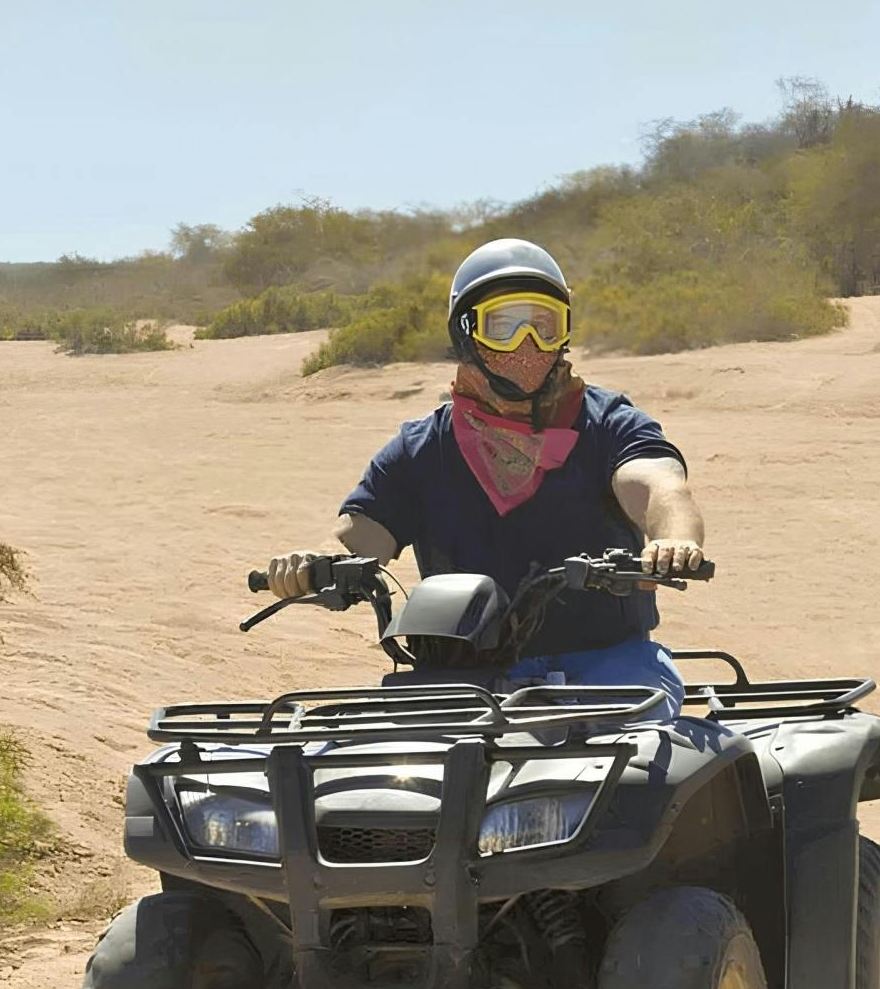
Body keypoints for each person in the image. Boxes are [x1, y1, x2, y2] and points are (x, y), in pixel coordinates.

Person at [264, 238, 707, 714]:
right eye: (505, 327)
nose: (528, 346)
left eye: (543, 325)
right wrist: (315, 568)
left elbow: (659, 486)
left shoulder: (608, 424)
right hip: (461, 675)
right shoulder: (421, 449)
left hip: (610, 663)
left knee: (637, 754)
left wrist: (674, 541)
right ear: (467, 333)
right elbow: (364, 536)